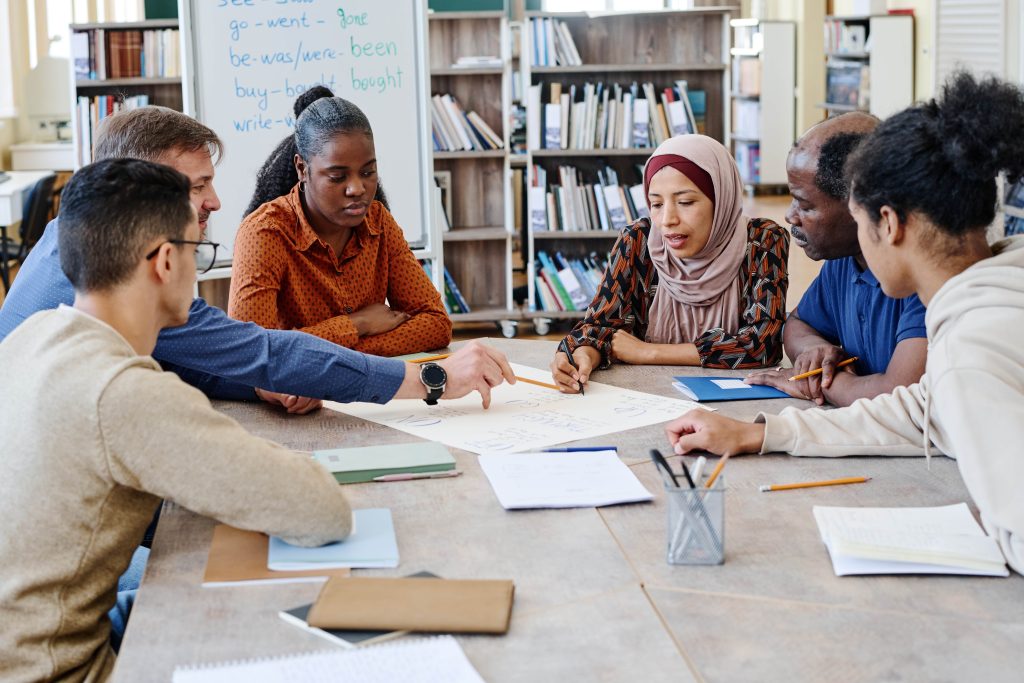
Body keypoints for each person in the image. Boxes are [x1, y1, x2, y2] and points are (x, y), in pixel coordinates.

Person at [0, 159, 356, 682]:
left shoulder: (29, 339)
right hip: (61, 667)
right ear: (166, 261)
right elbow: (322, 510)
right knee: (294, 618)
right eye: (200, 250)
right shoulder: (123, 390)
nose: (200, 266)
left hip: (28, 630)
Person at [663, 72, 1024, 574]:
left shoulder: (971, 350)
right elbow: (915, 413)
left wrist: (991, 526)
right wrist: (760, 434)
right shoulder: (997, 288)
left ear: (889, 225)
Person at [0, 106, 510, 409]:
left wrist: (266, 387)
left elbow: (195, 361)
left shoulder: (66, 238)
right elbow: (261, 349)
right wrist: (431, 378)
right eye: (198, 186)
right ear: (140, 189)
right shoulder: (124, 274)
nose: (215, 202)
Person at [550, 134, 790, 393]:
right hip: (646, 399)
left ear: (721, 199)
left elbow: (763, 345)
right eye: (656, 204)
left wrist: (649, 353)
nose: (667, 219)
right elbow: (601, 328)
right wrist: (585, 355)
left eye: (685, 202)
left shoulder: (763, 240)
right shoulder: (638, 241)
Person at [230, 88, 451, 356]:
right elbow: (253, 351)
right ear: (302, 169)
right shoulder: (265, 232)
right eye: (338, 177)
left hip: (369, 391)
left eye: (368, 172)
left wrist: (348, 355)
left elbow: (436, 323)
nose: (357, 188)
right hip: (295, 395)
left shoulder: (378, 221)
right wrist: (358, 324)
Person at [744, 113, 928, 406]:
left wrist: (821, 384)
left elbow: (900, 396)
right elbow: (798, 322)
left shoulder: (924, 278)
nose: (790, 216)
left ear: (859, 205)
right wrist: (813, 350)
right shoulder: (845, 259)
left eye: (804, 204)